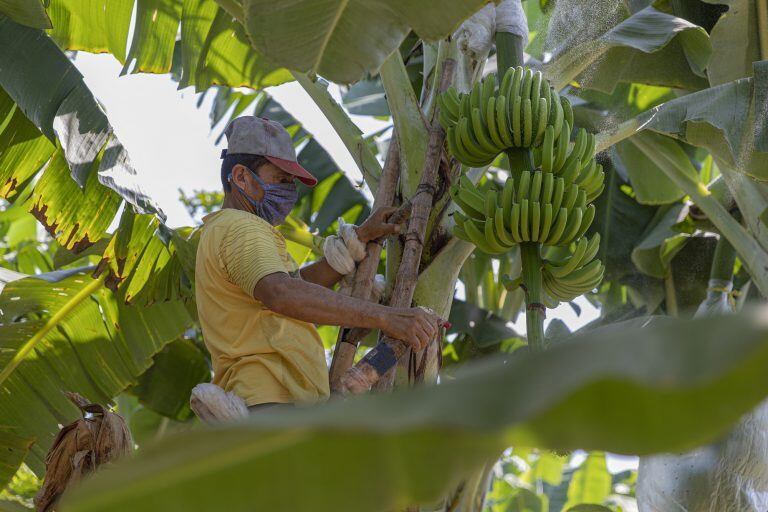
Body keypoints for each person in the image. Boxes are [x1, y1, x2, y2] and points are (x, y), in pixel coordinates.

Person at [195, 116, 445, 409]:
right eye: (280, 180)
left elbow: (294, 287)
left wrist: (358, 239)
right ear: (240, 177)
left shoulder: (226, 228)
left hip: (275, 400)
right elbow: (282, 294)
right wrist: (386, 317)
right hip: (271, 399)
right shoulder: (241, 227)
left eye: (290, 183)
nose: (289, 191)